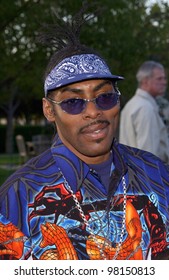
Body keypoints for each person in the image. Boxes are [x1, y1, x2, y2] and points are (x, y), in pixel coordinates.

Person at [0, 6, 169, 261]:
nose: (93, 112)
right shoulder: (18, 196)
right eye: (73, 102)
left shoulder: (155, 172)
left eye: (105, 97)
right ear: (49, 110)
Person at [119, 61, 169, 164]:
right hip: (146, 176)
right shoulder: (145, 108)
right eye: (159, 78)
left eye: (164, 78)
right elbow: (148, 156)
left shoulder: (133, 104)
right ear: (145, 81)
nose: (164, 82)